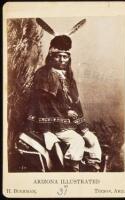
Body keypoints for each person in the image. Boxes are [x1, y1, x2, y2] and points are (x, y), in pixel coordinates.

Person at [21, 34, 102, 172]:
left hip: (69, 121)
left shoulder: (68, 76)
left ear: (69, 57)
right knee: (77, 141)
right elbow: (41, 103)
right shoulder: (43, 74)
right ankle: (72, 169)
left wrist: (83, 127)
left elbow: (75, 103)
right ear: (51, 56)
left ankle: (92, 167)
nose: (62, 60)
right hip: (52, 122)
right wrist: (46, 130)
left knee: (92, 139)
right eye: (58, 56)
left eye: (65, 56)